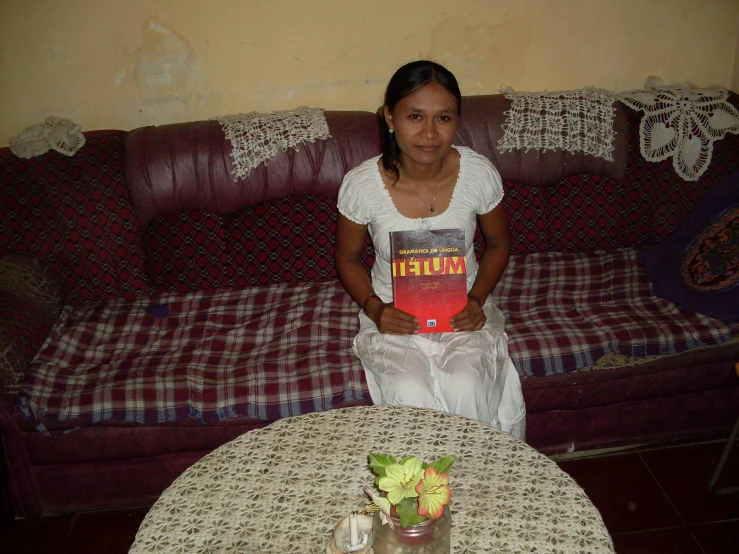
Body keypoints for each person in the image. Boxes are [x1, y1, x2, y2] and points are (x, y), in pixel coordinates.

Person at [335, 60, 526, 440]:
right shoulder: (362, 185)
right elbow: (347, 257)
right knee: (409, 394)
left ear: (457, 121)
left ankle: (479, 481)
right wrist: (377, 310)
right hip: (394, 314)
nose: (429, 133)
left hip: (463, 308)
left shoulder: (477, 174)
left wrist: (476, 300)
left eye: (443, 118)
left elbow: (500, 243)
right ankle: (417, 493)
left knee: (468, 385)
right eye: (415, 116)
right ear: (389, 117)